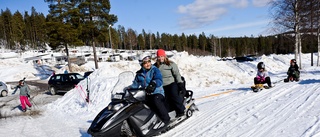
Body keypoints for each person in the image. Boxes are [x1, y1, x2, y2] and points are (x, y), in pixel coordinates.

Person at [128, 54, 170, 124]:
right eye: (145, 63)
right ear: (141, 64)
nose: (148, 64)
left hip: (157, 92)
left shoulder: (154, 70)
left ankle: (166, 119)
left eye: (149, 62)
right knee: (139, 104)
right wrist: (127, 89)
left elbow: (159, 79)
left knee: (156, 100)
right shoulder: (139, 74)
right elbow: (135, 85)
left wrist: (153, 83)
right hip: (146, 94)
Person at [154, 49, 186, 118]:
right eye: (159, 57)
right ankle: (169, 112)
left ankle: (181, 110)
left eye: (162, 56)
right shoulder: (155, 66)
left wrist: (180, 84)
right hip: (161, 86)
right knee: (163, 100)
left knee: (174, 95)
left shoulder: (170, 64)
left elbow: (177, 74)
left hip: (171, 83)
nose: (160, 58)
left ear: (165, 56)